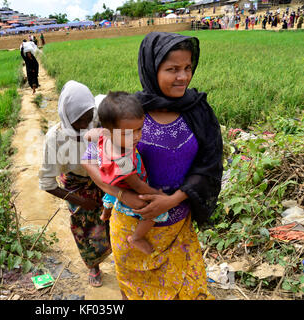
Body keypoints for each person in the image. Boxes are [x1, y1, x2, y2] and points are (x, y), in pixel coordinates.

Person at [82, 32, 223, 300]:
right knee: (136, 293)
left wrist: (171, 201)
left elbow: (209, 166)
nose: (183, 76)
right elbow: (89, 159)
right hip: (132, 230)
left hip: (178, 228)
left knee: (190, 292)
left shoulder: (198, 110)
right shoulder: (130, 110)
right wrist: (123, 195)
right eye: (172, 69)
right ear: (151, 67)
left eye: (187, 68)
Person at [39, 80, 112, 287]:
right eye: (80, 120)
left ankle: (117, 253)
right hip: (77, 183)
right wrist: (79, 200)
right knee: (84, 226)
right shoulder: (55, 139)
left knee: (111, 217)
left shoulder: (98, 117)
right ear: (67, 116)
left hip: (103, 175)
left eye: (90, 118)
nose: (87, 125)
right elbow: (47, 183)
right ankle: (93, 265)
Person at [82, 92, 169, 255]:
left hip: (113, 183)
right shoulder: (123, 160)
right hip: (130, 189)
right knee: (158, 213)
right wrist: (158, 195)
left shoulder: (105, 136)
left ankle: (105, 213)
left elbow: (88, 135)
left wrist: (101, 134)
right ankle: (136, 237)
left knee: (109, 197)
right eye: (128, 133)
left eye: (139, 129)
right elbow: (139, 185)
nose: (136, 137)